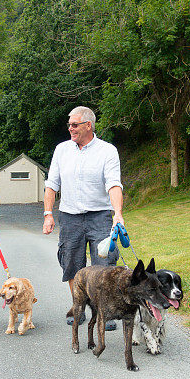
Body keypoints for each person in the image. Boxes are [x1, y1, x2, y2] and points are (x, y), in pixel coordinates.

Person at [42, 106, 124, 330]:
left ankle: (103, 311)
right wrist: (48, 214)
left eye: (74, 124)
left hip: (100, 216)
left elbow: (114, 184)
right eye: (69, 124)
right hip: (70, 217)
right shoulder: (62, 150)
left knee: (104, 264)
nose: (70, 128)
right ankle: (78, 307)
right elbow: (52, 185)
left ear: (88, 125)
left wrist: (118, 214)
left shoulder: (107, 151)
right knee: (72, 264)